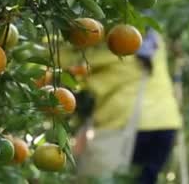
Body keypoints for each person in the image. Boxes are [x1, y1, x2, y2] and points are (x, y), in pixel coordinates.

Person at [62, 28, 182, 183]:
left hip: (124, 125)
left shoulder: (113, 40)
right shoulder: (153, 37)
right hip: (165, 123)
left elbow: (62, 59)